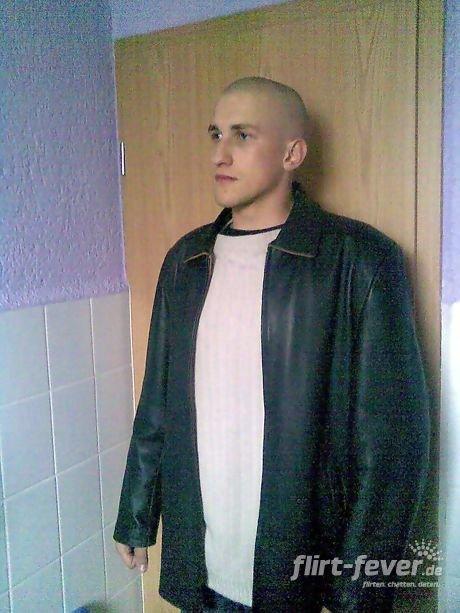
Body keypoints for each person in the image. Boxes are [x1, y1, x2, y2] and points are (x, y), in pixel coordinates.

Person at [113, 76, 430, 612]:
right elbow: (159, 403)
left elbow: (393, 446)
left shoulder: (359, 259)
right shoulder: (187, 261)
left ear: (292, 153)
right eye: (216, 134)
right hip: (203, 567)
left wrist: (358, 592)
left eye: (242, 135)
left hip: (304, 575)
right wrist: (136, 514)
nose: (220, 153)